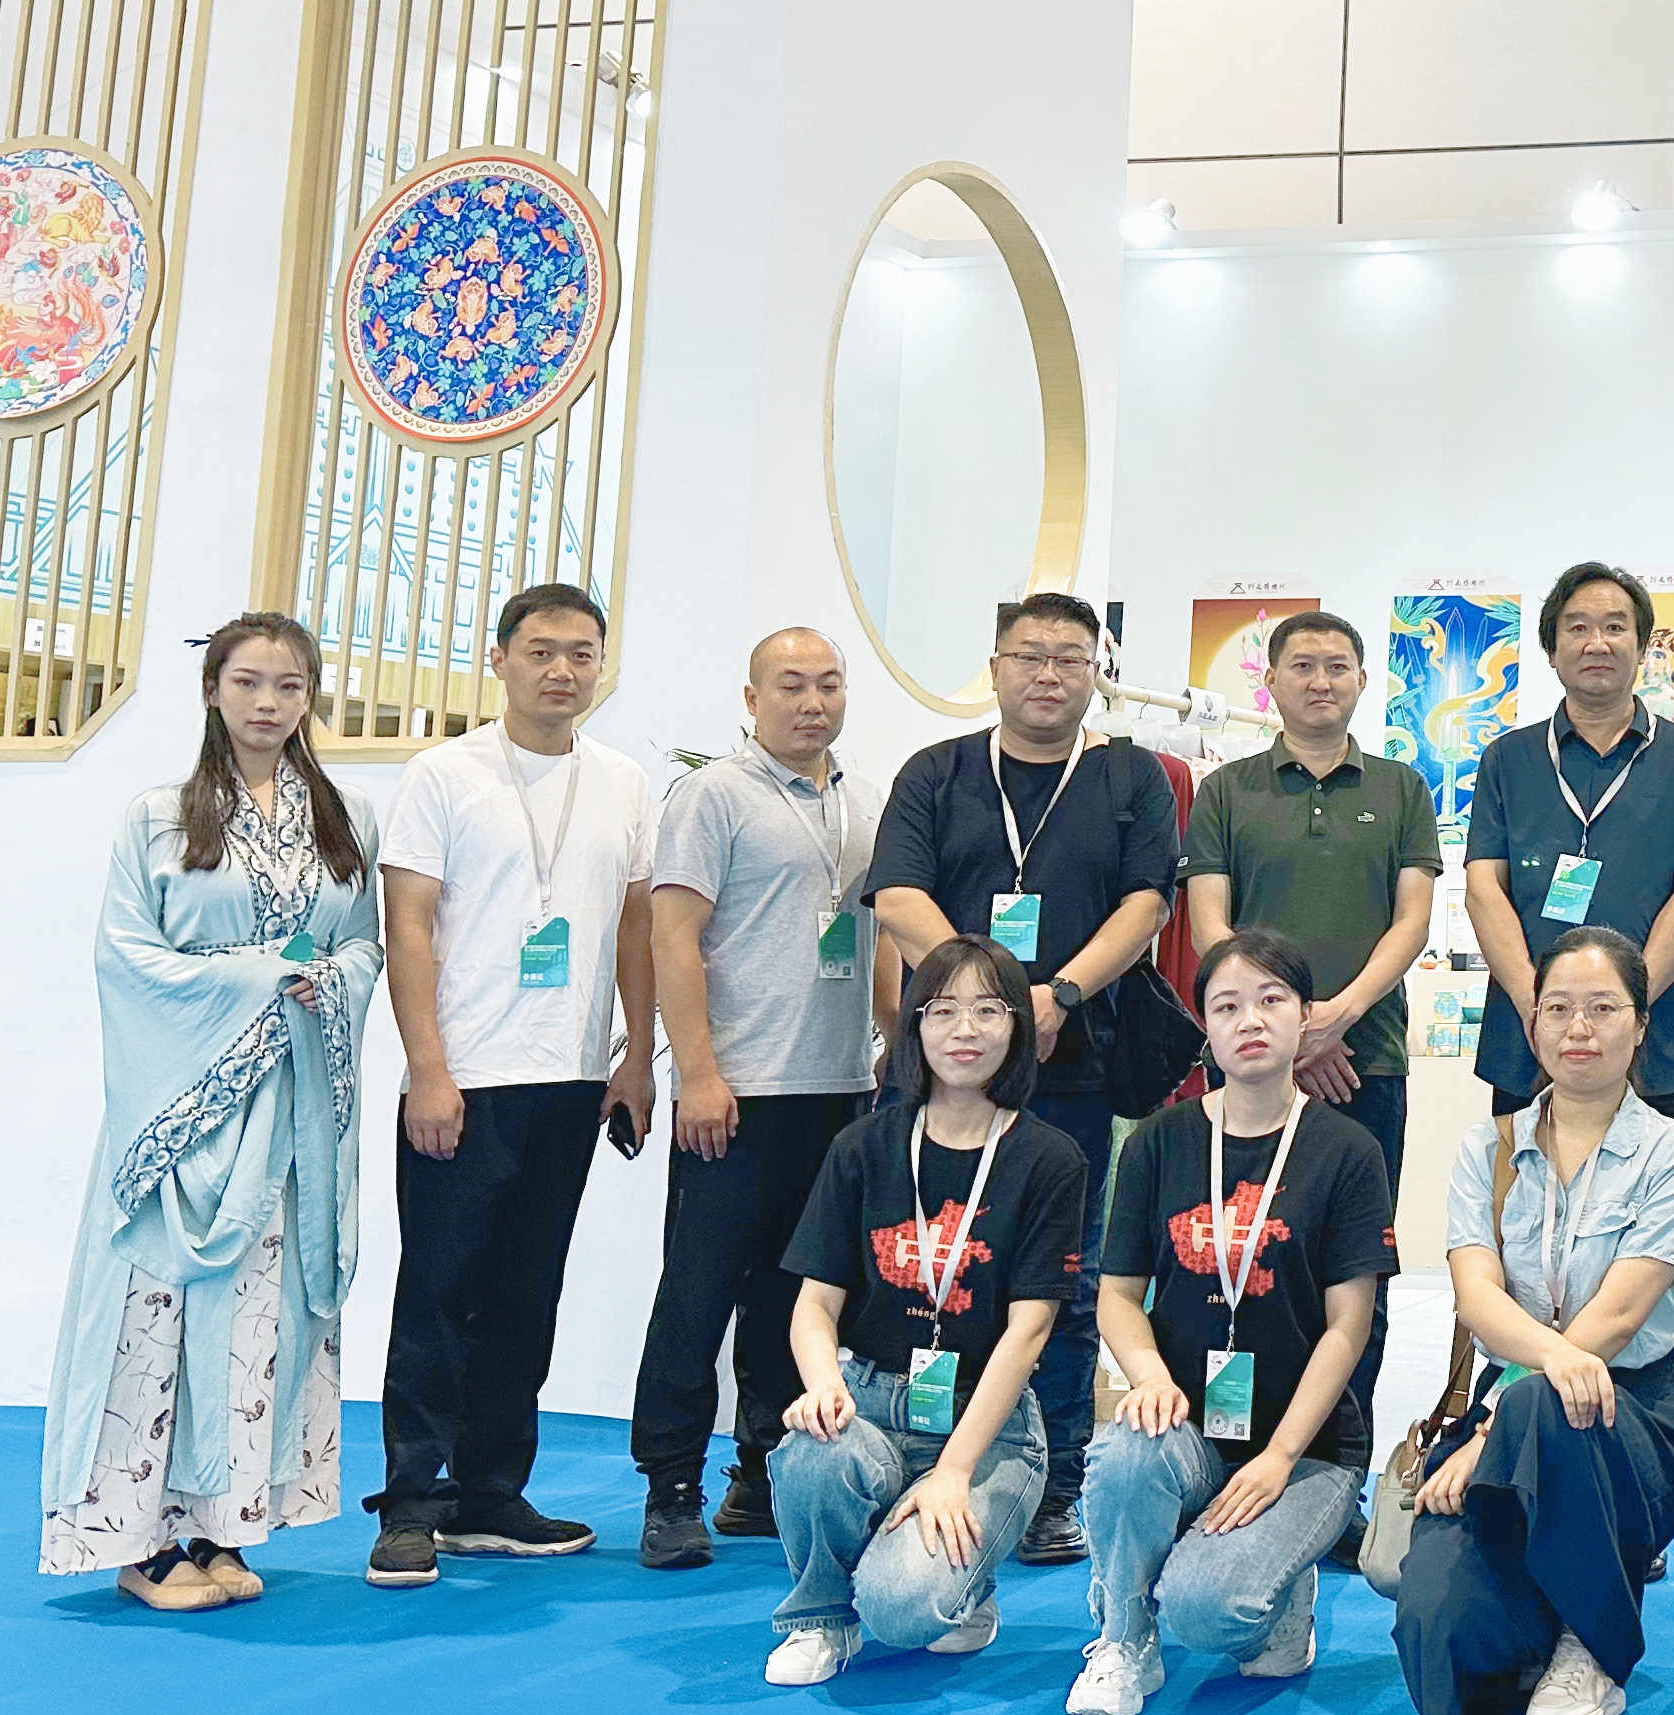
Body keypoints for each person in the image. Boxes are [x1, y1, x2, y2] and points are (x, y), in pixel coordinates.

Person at [41, 614, 385, 1609]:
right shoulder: (157, 817)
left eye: (289, 685)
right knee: (159, 1311)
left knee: (260, 1316)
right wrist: (256, 981)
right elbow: (126, 958)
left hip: (292, 1110)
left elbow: (363, 947)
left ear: (311, 697)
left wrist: (328, 981)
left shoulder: (348, 819)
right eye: (247, 682)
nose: (268, 703)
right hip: (185, 1110)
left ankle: (223, 1525)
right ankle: (140, 1545)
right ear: (212, 690)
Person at [867, 589, 1180, 1565]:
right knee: (922, 1266)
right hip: (940, 1074)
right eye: (1030, 655)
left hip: (1071, 1068)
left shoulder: (1131, 777)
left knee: (1064, 1281)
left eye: (1070, 658)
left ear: (1097, 674)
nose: (1048, 674)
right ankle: (917, 1462)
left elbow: (1146, 906)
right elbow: (897, 896)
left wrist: (1058, 996)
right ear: (996, 666)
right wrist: (985, 999)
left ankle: (1055, 1486)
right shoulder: (937, 772)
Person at [368, 582, 659, 1586]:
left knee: (527, 1296)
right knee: (438, 1295)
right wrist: (428, 1070)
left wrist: (636, 1055)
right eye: (540, 651)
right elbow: (407, 925)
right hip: (467, 1079)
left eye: (582, 653)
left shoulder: (622, 782)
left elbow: (635, 925)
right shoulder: (443, 775)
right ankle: (412, 1502)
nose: (562, 671)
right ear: (499, 660)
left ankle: (490, 1492)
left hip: (571, 1080)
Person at [1395, 927, 1674, 1715]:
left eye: (1604, 1008)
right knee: (1439, 1635)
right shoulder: (1488, 1148)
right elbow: (1477, 1296)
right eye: (1559, 1008)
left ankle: (1593, 1648)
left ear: (1641, 1026)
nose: (1580, 1028)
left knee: (1546, 1403)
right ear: (1532, 1022)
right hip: (1515, 1397)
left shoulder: (1672, 1154)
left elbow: (1616, 1320)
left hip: (1632, 1416)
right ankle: (1545, 1611)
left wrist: (1496, 1426)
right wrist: (1498, 1418)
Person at [1067, 929, 1395, 1715]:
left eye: (1272, 999)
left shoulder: (1348, 1150)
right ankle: (1123, 1639)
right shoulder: (1158, 1143)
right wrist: (1149, 1378)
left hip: (1307, 1450)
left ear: (1305, 1016)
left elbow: (1348, 1327)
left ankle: (1281, 1585)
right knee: (1124, 1452)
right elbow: (1118, 1295)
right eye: (1227, 1006)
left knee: (1208, 1614)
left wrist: (1280, 1458)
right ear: (1205, 1029)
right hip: (1187, 1430)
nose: (1250, 1019)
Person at [632, 627, 894, 1568]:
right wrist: (697, 1072)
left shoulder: (863, 802)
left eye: (829, 684)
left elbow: (877, 937)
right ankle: (670, 1487)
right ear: (751, 699)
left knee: (798, 1297)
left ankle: (761, 1473)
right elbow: (673, 936)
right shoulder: (713, 796)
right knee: (698, 1294)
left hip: (840, 1089)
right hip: (738, 1091)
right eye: (790, 685)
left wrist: (896, 1044)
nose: (812, 703)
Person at [762, 939, 1089, 1685]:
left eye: (987, 1010)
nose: (964, 1030)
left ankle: (957, 1584)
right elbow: (814, 1304)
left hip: (986, 1421)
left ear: (1018, 1026)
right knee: (814, 1447)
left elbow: (1030, 1330)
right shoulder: (863, 1147)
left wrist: (955, 1468)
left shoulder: (1050, 1159)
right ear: (914, 1025)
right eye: (942, 1011)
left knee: (905, 1611)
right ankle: (820, 1617)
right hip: (871, 1401)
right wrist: (824, 1386)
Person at [1178, 606, 1437, 1418]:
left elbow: (1412, 922)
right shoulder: (1225, 790)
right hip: (1252, 1068)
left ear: (1362, 680)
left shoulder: (1401, 788)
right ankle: (1237, 1440)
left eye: (1336, 667)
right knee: (1241, 1255)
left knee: (1356, 1265)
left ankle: (1340, 1449)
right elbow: (1210, 927)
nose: (1320, 681)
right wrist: (1289, 1031)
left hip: (1367, 1061)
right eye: (1302, 666)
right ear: (1271, 681)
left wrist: (1339, 1017)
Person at [1464, 560, 1674, 1127]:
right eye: (1578, 627)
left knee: (1650, 1184)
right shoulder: (1507, 759)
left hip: (1649, 1045)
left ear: (1641, 646)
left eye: (1615, 627)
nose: (1597, 643)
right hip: (1527, 1042)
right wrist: (1542, 1012)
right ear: (1551, 648)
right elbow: (1483, 889)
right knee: (1520, 1182)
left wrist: (1622, 1014)